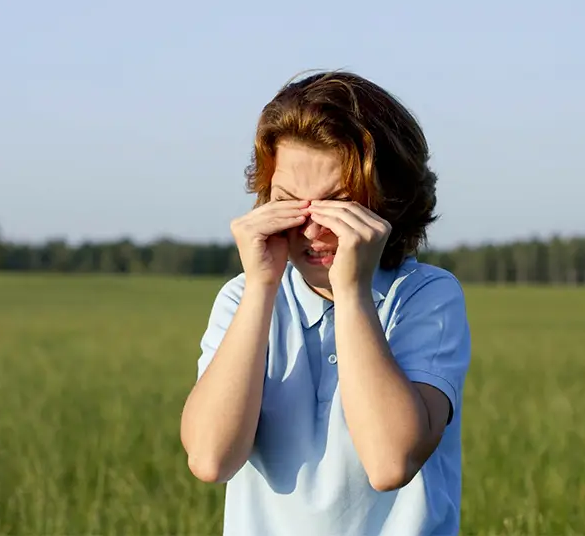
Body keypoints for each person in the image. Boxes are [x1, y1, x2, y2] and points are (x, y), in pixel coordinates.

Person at [180, 70, 471, 536]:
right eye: (289, 204)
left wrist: (353, 293)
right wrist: (260, 287)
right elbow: (211, 458)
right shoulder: (244, 297)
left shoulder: (424, 297)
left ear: (388, 203)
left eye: (337, 206)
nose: (312, 230)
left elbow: (389, 461)